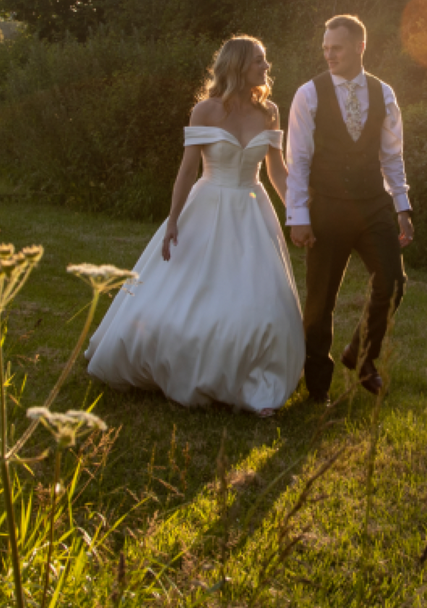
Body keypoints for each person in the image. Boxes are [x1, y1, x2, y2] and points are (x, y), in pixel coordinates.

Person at [84, 36, 304, 415]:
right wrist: (173, 220)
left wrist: (299, 214)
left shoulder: (269, 112)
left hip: (251, 211)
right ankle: (175, 363)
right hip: (206, 207)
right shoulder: (204, 111)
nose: (267, 68)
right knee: (188, 294)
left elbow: (277, 171)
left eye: (265, 61)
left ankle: (253, 377)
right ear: (236, 66)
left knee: (258, 299)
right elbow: (187, 170)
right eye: (259, 61)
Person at [286, 14, 413, 401]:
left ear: (360, 46)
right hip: (326, 206)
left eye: (336, 48)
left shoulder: (385, 93)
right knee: (321, 299)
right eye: (325, 48)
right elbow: (299, 160)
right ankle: (318, 386)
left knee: (392, 281)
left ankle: (360, 355)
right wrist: (299, 216)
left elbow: (392, 157)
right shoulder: (308, 94)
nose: (328, 55)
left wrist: (403, 208)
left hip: (373, 204)